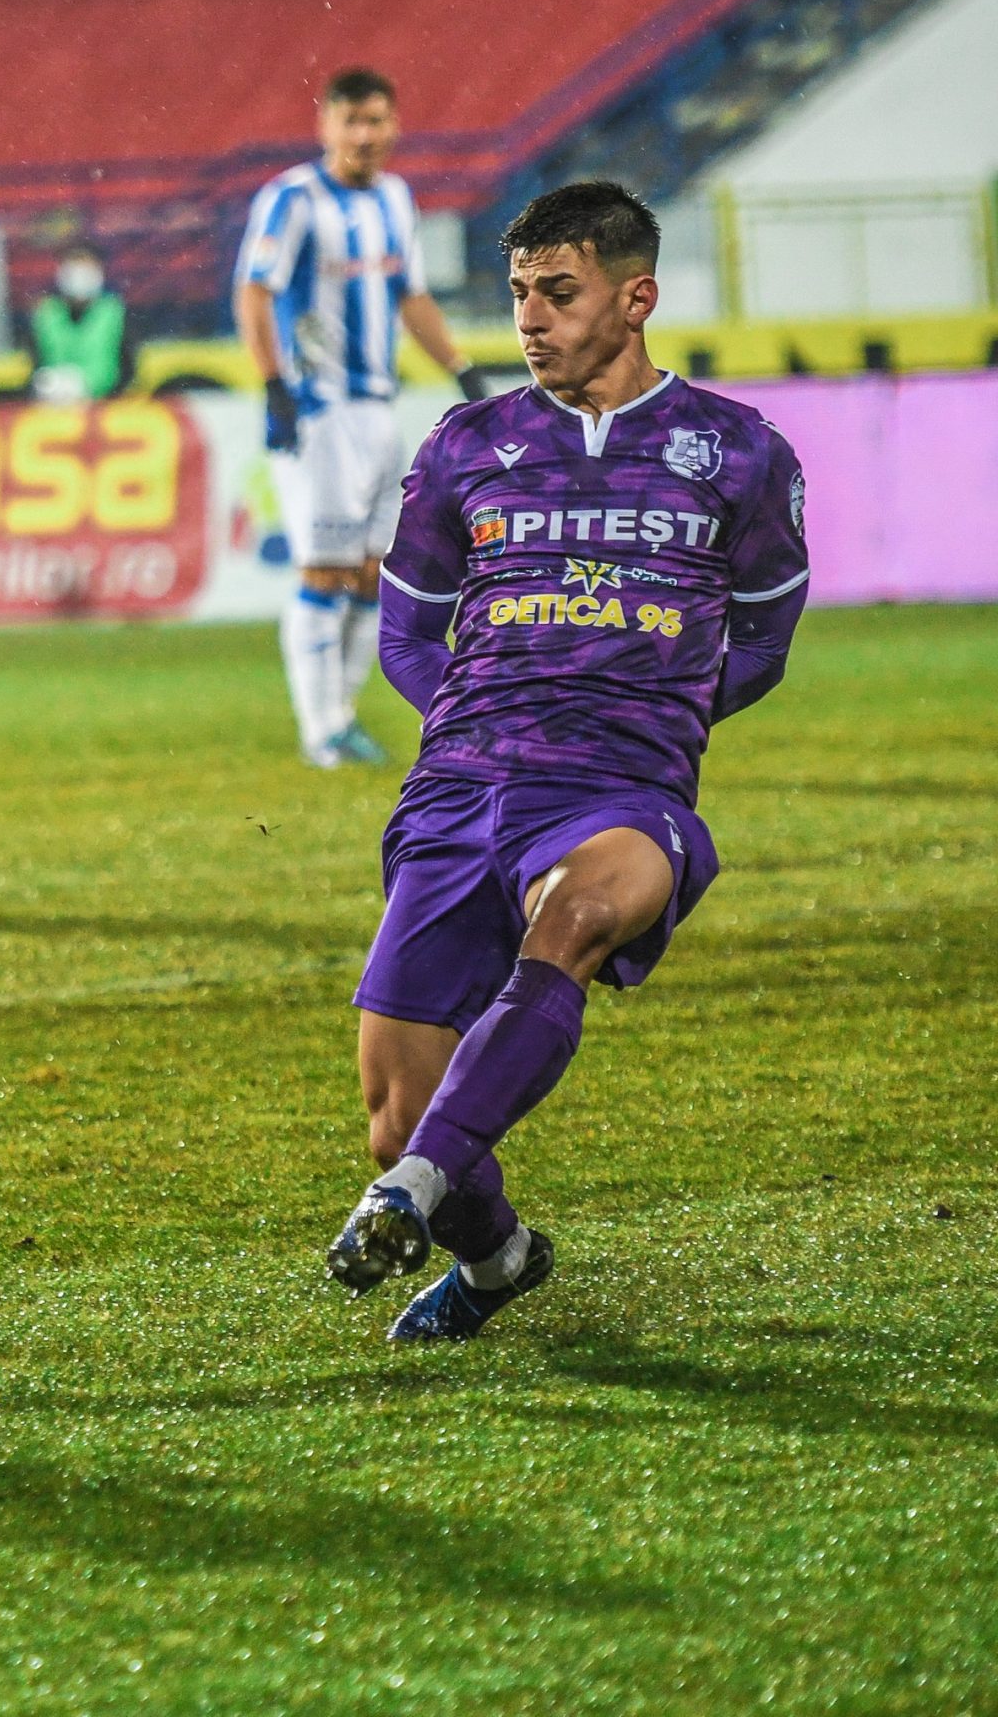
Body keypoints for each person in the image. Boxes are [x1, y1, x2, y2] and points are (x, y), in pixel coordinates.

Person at [326, 182, 809, 1341]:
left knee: (583, 912)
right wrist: (479, 723)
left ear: (634, 297)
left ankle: (404, 1199)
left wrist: (647, 726)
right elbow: (405, 632)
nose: (530, 320)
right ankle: (496, 1258)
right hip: (462, 784)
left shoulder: (738, 456)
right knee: (398, 1112)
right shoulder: (468, 446)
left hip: (618, 792)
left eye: (559, 293)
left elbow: (762, 643)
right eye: (519, 296)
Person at [234, 66, 489, 769]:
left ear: (394, 126)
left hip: (378, 410)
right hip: (318, 411)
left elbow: (412, 296)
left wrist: (462, 369)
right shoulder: (292, 200)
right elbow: (254, 293)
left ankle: (342, 718)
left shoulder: (396, 200)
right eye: (352, 121)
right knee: (323, 572)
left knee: (376, 573)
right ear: (326, 126)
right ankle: (322, 732)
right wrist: (274, 386)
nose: (365, 135)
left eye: (377, 121)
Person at [28, 245, 127, 401]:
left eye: (86, 270)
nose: (79, 278)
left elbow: (127, 367)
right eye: (73, 270)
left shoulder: (114, 311)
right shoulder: (46, 312)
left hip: (104, 403)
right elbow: (35, 361)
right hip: (53, 402)